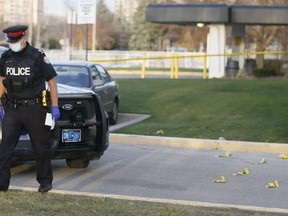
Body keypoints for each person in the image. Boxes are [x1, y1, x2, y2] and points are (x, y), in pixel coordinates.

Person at [0, 25, 60, 193]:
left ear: (24, 38)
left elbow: (52, 81)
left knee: (41, 148)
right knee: (5, 147)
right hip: (12, 109)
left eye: (16, 40)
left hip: (35, 108)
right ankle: (2, 183)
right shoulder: (6, 57)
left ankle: (45, 181)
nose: (13, 43)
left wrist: (54, 106)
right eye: (10, 41)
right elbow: (2, 80)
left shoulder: (37, 56)